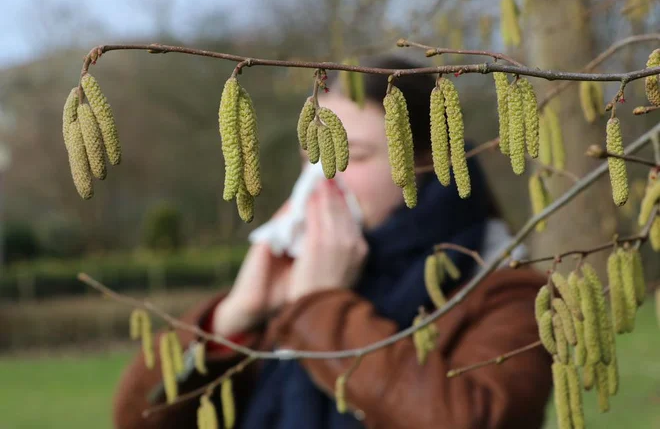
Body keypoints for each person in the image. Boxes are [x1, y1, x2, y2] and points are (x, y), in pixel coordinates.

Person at [113, 56, 552, 429]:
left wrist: (322, 308)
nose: (322, 177)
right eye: (311, 157)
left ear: (428, 162)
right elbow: (137, 418)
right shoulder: (290, 287)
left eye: (354, 155)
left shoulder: (503, 294)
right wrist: (229, 323)